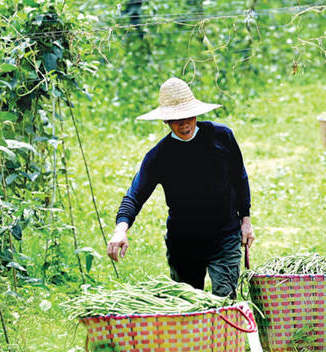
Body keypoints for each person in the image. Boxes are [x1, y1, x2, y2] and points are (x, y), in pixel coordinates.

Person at [106, 77, 255, 297]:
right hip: (183, 244)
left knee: (225, 301)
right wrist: (120, 230)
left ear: (196, 114)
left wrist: (246, 220)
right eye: (176, 119)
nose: (184, 124)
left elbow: (239, 178)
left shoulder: (221, 137)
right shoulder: (159, 156)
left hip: (224, 236)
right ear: (165, 121)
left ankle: (224, 332)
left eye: (188, 116)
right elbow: (135, 195)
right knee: (187, 306)